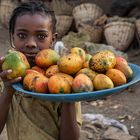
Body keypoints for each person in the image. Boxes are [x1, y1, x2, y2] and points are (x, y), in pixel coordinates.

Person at [0, 1, 82, 140]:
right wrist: (8, 91)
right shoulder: (5, 76)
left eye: (41, 36)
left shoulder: (64, 78)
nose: (31, 43)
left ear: (52, 39)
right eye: (21, 35)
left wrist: (67, 98)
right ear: (12, 36)